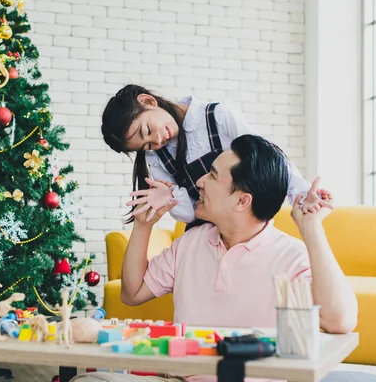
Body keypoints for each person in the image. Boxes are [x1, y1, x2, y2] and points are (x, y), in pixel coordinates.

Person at [72, 135, 357, 382]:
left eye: (212, 175)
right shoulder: (192, 241)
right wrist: (144, 225)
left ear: (242, 201)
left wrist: (311, 228)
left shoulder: (291, 256)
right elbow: (132, 293)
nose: (199, 181)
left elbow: (340, 322)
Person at [101, 85, 327, 226]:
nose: (157, 141)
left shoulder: (217, 116)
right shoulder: (156, 157)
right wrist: (168, 198)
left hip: (245, 228)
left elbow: (267, 159)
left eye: (148, 130)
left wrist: (301, 192)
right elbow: (190, 214)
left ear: (148, 101)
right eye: (147, 145)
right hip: (203, 236)